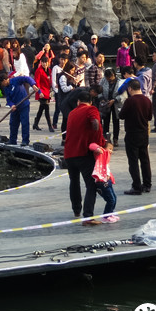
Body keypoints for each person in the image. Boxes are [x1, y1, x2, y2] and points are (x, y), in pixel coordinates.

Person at [63, 89, 106, 223]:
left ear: (78, 102)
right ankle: (88, 216)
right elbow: (96, 123)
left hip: (69, 153)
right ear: (90, 101)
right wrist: (100, 143)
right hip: (83, 153)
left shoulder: (71, 113)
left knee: (74, 182)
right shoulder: (91, 109)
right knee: (90, 184)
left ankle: (76, 210)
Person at [119, 81, 152, 195]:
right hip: (143, 132)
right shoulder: (147, 100)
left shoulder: (130, 101)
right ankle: (147, 184)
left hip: (132, 133)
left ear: (130, 89)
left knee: (133, 161)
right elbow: (149, 116)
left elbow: (121, 115)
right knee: (145, 160)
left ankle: (136, 186)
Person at [0, 72, 35, 147]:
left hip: (24, 105)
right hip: (15, 107)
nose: (2, 85)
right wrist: (11, 105)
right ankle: (12, 140)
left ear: (5, 80)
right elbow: (8, 99)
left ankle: (25, 141)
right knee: (13, 124)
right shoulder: (6, 88)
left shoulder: (16, 80)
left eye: (2, 83)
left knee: (24, 123)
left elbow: (27, 78)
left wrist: (33, 84)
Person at [90, 141, 118, 223]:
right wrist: (98, 149)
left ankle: (110, 213)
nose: (111, 151)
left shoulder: (107, 159)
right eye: (109, 148)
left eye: (112, 149)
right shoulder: (101, 154)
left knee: (114, 198)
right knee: (110, 200)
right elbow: (92, 145)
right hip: (102, 182)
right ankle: (106, 216)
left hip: (108, 181)